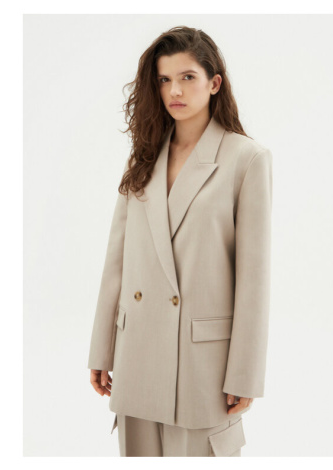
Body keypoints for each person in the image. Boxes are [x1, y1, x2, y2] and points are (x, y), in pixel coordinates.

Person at [88, 25, 273, 457]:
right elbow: (117, 261)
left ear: (214, 83)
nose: (175, 90)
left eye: (188, 77)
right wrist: (102, 348)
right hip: (137, 353)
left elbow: (254, 278)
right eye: (164, 79)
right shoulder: (144, 157)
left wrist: (245, 373)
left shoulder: (246, 159)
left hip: (202, 363)